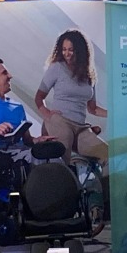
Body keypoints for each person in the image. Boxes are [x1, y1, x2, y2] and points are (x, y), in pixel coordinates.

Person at [33, 29, 108, 163]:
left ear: (80, 51)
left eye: (71, 50)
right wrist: (48, 115)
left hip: (81, 127)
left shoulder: (89, 75)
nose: (67, 53)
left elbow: (93, 109)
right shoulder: (57, 68)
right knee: (63, 161)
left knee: (107, 155)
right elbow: (39, 97)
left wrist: (113, 114)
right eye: (64, 49)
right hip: (60, 121)